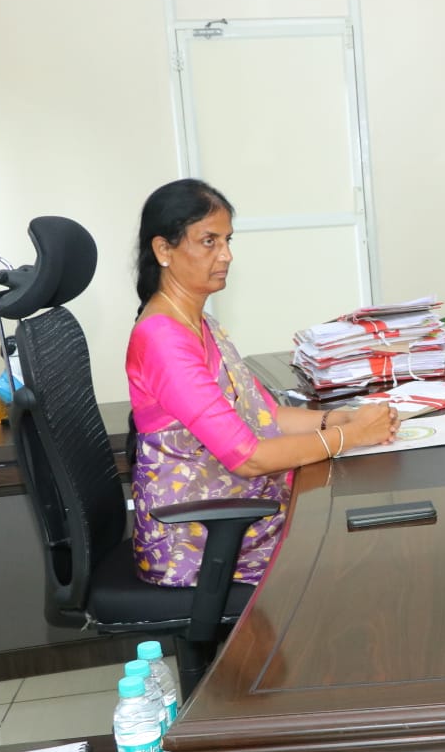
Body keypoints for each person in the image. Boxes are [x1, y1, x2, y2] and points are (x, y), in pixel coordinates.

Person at [127, 179, 399, 587]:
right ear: (164, 249)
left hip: (236, 515)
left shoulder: (197, 322)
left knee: (362, 537)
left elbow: (265, 415)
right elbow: (248, 457)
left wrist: (338, 419)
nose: (226, 255)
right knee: (357, 560)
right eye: (209, 242)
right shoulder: (163, 340)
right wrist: (351, 437)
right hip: (197, 542)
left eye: (227, 240)